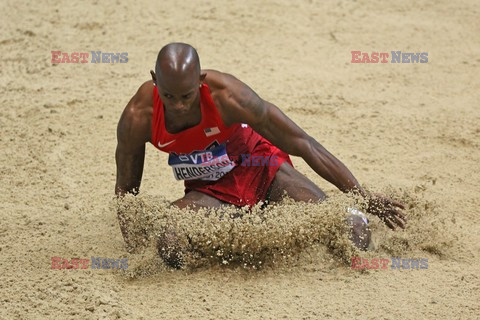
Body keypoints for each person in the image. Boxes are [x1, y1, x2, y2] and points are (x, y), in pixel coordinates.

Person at [115, 43, 406, 268]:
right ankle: (247, 228)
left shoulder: (229, 96)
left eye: (187, 96)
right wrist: (133, 245)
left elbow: (304, 143)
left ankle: (263, 222)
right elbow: (127, 191)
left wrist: (362, 196)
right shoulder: (138, 117)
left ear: (201, 81)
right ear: (155, 81)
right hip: (208, 193)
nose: (178, 106)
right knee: (168, 242)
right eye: (168, 96)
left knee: (353, 232)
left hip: (264, 169)